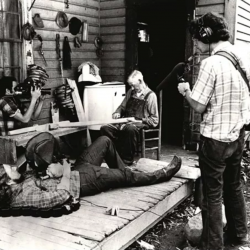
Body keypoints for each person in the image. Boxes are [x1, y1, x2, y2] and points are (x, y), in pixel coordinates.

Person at [177, 13, 250, 249]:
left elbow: (198, 105)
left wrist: (185, 91)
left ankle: (212, 244)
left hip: (215, 141)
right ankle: (239, 235)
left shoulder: (211, 64)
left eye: (197, 40)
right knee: (234, 185)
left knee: (212, 194)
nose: (196, 45)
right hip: (238, 136)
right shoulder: (242, 56)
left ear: (205, 34)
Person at [0, 132, 181, 211]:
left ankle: (125, 177)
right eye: (9, 171)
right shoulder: (24, 196)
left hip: (72, 170)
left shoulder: (12, 183)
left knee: (104, 141)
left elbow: (30, 172)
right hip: (78, 182)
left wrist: (52, 168)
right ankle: (163, 174)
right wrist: (63, 171)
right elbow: (62, 194)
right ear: (7, 184)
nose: (13, 167)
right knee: (124, 175)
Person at [101, 70, 159, 165]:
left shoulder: (151, 96)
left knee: (129, 129)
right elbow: (122, 106)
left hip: (140, 124)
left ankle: (126, 160)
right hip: (125, 122)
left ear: (140, 81)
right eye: (130, 85)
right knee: (105, 128)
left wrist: (139, 120)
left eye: (133, 85)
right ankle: (114, 155)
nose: (132, 88)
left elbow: (155, 120)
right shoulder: (131, 92)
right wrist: (117, 112)